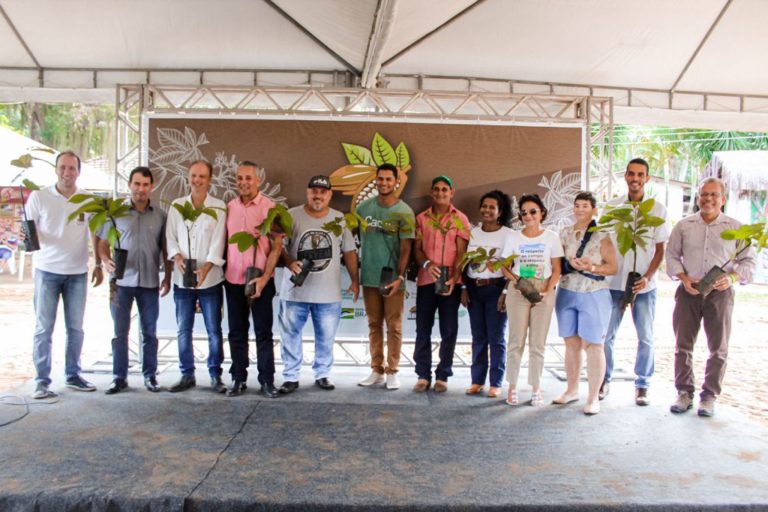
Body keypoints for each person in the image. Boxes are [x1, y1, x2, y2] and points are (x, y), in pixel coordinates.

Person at [666, 177, 755, 418]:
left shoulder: (736, 228)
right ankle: (684, 392)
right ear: (698, 197)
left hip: (720, 295)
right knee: (682, 346)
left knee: (718, 348)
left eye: (714, 194)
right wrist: (683, 278)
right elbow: (672, 256)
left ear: (723, 199)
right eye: (704, 194)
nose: (708, 199)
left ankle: (709, 396)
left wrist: (732, 278)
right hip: (689, 294)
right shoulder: (684, 226)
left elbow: (749, 262)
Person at [26, 151, 104, 399]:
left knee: (76, 328)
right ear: (56, 169)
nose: (67, 173)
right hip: (46, 271)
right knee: (43, 328)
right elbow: (29, 232)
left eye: (72, 168)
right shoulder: (39, 197)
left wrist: (99, 263)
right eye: (63, 168)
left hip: (77, 272)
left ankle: (73, 375)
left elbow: (96, 232)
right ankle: (42, 380)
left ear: (78, 171)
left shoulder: (87, 200)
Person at [277, 175, 360, 394]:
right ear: (307, 192)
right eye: (314, 191)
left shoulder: (339, 219)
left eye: (323, 192)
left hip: (328, 294)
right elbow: (279, 248)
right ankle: (290, 376)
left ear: (330, 195)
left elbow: (349, 251)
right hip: (295, 292)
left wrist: (355, 280)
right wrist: (289, 262)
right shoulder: (291, 216)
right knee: (290, 335)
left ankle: (322, 373)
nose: (318, 195)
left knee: (326, 337)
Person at [97, 167, 172, 394]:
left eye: (145, 184)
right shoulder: (115, 213)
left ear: (151, 187)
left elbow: (164, 248)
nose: (141, 189)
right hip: (120, 283)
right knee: (120, 332)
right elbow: (102, 243)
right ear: (129, 185)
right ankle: (119, 377)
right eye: (137, 184)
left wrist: (168, 277)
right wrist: (105, 260)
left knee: (149, 332)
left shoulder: (160, 216)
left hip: (149, 283)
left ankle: (150, 376)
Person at [601, 158, 669, 405]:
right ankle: (603, 379)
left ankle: (642, 385)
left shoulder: (657, 209)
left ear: (647, 178)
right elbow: (603, 242)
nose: (635, 178)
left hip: (644, 287)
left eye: (640, 175)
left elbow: (660, 250)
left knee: (646, 337)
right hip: (614, 284)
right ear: (625, 176)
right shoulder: (613, 207)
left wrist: (647, 277)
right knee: (605, 336)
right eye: (631, 174)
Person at [166, 160, 227, 393]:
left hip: (210, 279)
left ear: (210, 179)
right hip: (183, 279)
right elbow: (170, 237)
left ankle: (215, 375)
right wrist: (177, 257)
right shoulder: (177, 205)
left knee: (214, 329)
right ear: (188, 177)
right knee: (183, 329)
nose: (197, 180)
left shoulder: (219, 206)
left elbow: (219, 241)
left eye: (202, 176)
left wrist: (207, 267)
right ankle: (186, 374)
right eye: (193, 175)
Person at [553, 191, 617, 415]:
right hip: (567, 291)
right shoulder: (564, 233)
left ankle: (593, 397)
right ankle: (571, 390)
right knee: (571, 343)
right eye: (577, 205)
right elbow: (556, 263)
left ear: (594, 209)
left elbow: (612, 267)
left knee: (594, 345)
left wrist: (591, 267)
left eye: (585, 205)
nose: (580, 209)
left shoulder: (602, 235)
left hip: (594, 292)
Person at [224, 161, 283, 398]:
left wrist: (265, 278)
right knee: (236, 332)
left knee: (263, 332)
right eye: (239, 178)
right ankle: (238, 378)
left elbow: (277, 246)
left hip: (260, 281)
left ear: (258, 180)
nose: (243, 183)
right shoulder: (228, 207)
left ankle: (267, 381)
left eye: (248, 178)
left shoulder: (271, 208)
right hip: (233, 280)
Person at [356, 163, 415, 390]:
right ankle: (376, 370)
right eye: (380, 179)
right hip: (369, 276)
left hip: (392, 279)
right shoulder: (363, 209)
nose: (384, 183)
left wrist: (400, 277)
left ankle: (393, 371)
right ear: (376, 180)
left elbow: (407, 248)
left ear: (396, 182)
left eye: (389, 179)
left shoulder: (404, 212)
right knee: (373, 324)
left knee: (394, 325)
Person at [501, 193, 562, 406]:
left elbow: (557, 269)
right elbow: (504, 266)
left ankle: (536, 387)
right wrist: (516, 282)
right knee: (516, 340)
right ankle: (512, 387)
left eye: (533, 211)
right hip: (518, 291)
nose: (528, 216)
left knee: (538, 343)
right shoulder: (513, 238)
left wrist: (547, 288)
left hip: (543, 289)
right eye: (524, 212)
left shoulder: (551, 237)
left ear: (542, 213)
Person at [412, 175, 470, 393]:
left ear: (452, 192)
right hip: (427, 281)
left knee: (449, 330)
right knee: (422, 329)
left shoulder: (460, 219)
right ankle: (423, 375)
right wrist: (426, 264)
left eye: (445, 189)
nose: (440, 193)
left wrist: (455, 278)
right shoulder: (421, 219)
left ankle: (443, 375)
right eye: (436, 189)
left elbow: (462, 252)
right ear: (431, 192)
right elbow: (417, 249)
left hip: (450, 283)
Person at [462, 190, 514, 399]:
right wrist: (464, 288)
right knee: (478, 337)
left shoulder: (509, 235)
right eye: (484, 206)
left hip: (496, 290)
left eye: (492, 207)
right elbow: (465, 263)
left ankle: (496, 382)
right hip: (474, 289)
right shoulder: (474, 232)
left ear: (500, 212)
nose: (487, 210)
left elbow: (513, 267)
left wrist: (505, 292)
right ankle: (477, 381)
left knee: (496, 338)